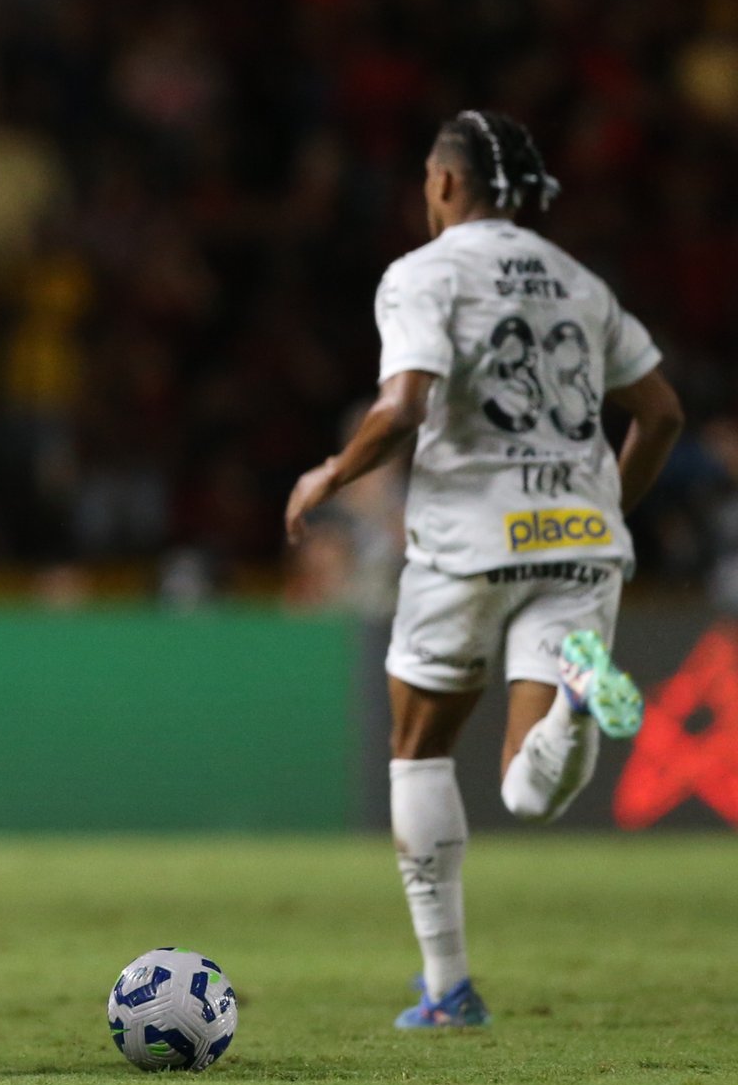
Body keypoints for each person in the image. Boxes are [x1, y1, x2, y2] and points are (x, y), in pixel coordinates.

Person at [285, 112, 684, 1028]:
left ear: (447, 185)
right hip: (580, 539)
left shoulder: (423, 275)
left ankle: (449, 989)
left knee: (419, 747)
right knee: (527, 786)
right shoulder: (581, 283)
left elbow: (405, 404)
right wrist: (607, 511)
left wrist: (331, 473)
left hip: (470, 541)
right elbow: (660, 413)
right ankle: (576, 701)